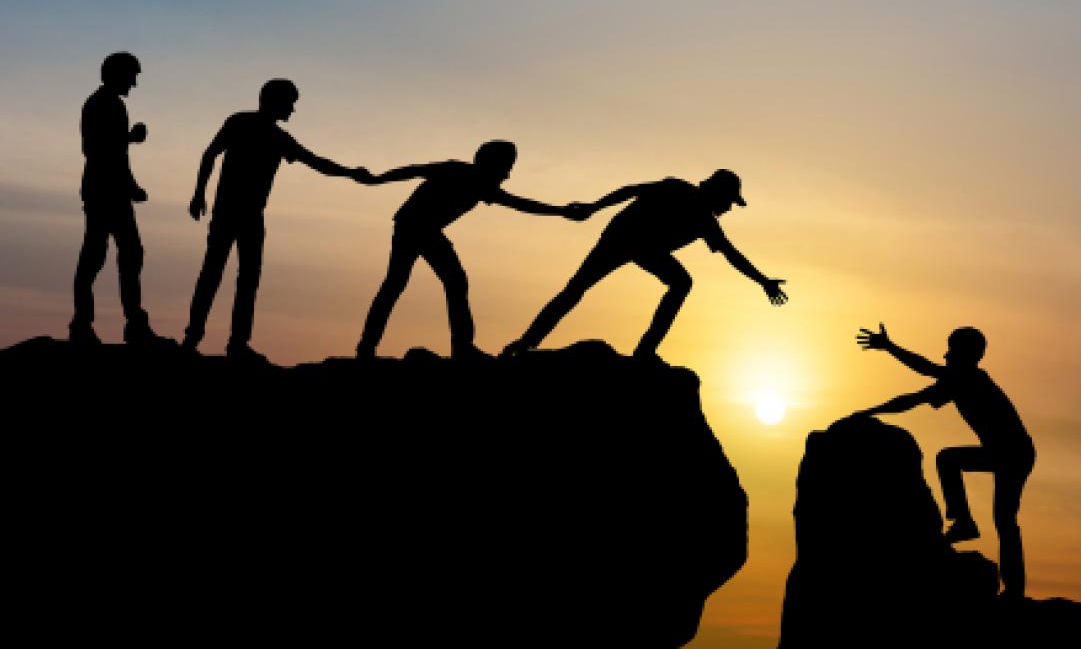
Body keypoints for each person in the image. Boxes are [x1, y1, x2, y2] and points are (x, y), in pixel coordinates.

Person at [501, 170, 788, 361]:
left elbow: (731, 254)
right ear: (717, 193)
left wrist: (763, 282)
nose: (728, 209)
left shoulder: (705, 221)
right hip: (620, 237)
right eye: (729, 202)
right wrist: (593, 206)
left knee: (680, 283)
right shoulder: (678, 189)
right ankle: (527, 342)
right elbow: (631, 191)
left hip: (646, 247)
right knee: (576, 290)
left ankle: (645, 351)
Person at [184, 79, 372, 362]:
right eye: (290, 103)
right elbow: (210, 154)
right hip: (231, 213)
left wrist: (349, 173)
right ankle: (198, 339)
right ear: (275, 100)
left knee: (240, 278)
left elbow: (316, 162)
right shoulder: (247, 126)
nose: (293, 110)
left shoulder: (275, 136)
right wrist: (198, 194)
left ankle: (231, 343)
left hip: (248, 217)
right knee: (218, 275)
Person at [853, 323, 1036, 598]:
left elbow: (923, 376)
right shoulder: (960, 380)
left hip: (1013, 452)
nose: (946, 354)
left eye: (952, 349)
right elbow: (916, 396)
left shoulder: (968, 378)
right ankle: (1012, 585)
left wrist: (889, 350)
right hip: (1015, 452)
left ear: (965, 353)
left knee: (953, 465)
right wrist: (873, 410)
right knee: (1004, 519)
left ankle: (965, 524)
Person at [356, 140, 582, 360]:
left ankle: (374, 347)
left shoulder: (482, 185)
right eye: (506, 168)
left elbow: (520, 204)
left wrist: (560, 211)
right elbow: (414, 170)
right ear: (492, 164)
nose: (507, 175)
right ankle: (457, 347)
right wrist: (376, 179)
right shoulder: (457, 171)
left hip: (423, 229)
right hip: (414, 227)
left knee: (424, 284)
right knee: (413, 284)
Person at [70, 52, 166, 345]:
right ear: (117, 74)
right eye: (131, 76)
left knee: (130, 253)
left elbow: (118, 158)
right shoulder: (99, 104)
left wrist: (133, 187)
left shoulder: (113, 104)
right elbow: (96, 150)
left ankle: (133, 321)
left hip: (115, 192)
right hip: (101, 192)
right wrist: (130, 138)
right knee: (95, 256)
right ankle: (83, 324)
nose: (134, 83)